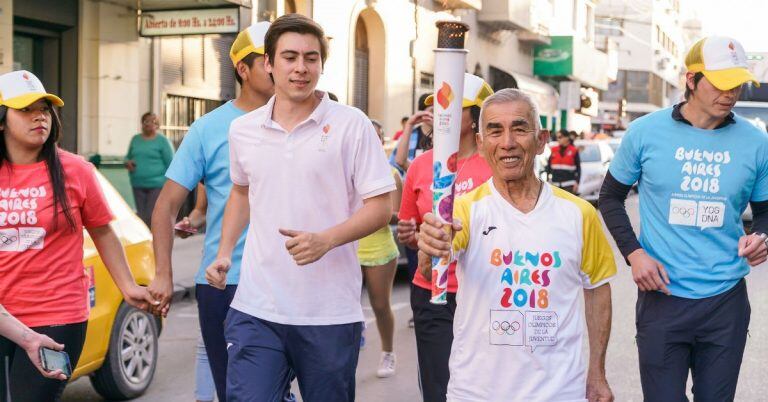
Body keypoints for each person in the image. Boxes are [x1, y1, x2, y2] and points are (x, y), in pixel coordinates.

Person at [205, 14, 395, 402]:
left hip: (328, 312)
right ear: (269, 64)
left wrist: (327, 240)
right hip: (257, 306)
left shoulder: (351, 125)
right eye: (289, 57)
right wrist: (225, 252)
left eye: (311, 58)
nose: (301, 68)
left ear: (322, 65)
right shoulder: (243, 130)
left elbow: (381, 206)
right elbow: (241, 193)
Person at [418, 88, 616, 402]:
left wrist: (597, 372)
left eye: (520, 129)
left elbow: (597, 290)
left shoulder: (579, 214)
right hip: (477, 392)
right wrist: (429, 248)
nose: (507, 142)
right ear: (482, 144)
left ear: (541, 139)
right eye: (495, 131)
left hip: (559, 391)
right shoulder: (464, 210)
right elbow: (431, 270)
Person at [598, 36, 767, 401]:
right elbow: (610, 197)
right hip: (663, 298)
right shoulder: (645, 132)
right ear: (690, 80)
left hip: (725, 301)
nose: (730, 93)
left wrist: (762, 236)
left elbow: (766, 211)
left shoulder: (755, 142)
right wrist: (635, 253)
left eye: (736, 83)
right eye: (721, 83)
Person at [0, 70, 156, 402]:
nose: (39, 116)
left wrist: (128, 286)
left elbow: (102, 230)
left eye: (44, 108)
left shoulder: (75, 170)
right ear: (2, 121)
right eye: (25, 109)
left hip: (57, 315)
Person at [147, 22, 276, 402]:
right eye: (270, 60)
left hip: (291, 279)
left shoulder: (307, 121)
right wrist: (163, 274)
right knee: (235, 391)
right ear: (243, 69)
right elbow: (165, 207)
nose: (283, 68)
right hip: (227, 282)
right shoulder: (208, 129)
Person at [396, 73, 493, 402]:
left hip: (485, 293)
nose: (440, 112)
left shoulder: (497, 165)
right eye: (436, 105)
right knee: (439, 389)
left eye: (451, 105)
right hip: (433, 293)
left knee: (485, 387)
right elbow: (410, 230)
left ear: (477, 115)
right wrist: (410, 235)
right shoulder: (421, 165)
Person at [358, 119, 403, 378]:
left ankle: (388, 353)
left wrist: (377, 211)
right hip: (347, 246)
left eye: (377, 136)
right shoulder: (346, 168)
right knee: (346, 306)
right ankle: (352, 340)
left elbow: (397, 214)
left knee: (380, 304)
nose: (371, 141)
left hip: (379, 249)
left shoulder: (391, 173)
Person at [124, 112, 174, 226]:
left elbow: (171, 163)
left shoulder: (163, 141)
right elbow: (128, 157)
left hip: (157, 184)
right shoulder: (135, 139)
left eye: (153, 121)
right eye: (146, 121)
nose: (149, 124)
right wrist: (128, 162)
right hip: (137, 183)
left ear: (157, 125)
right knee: (141, 215)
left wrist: (169, 184)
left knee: (151, 214)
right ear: (142, 123)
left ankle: (153, 238)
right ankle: (145, 239)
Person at [391, 93, 434, 175]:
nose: (436, 115)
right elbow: (398, 162)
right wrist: (409, 124)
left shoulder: (445, 137)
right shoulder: (409, 136)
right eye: (432, 111)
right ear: (421, 113)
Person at [546, 128, 581, 194]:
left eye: (560, 137)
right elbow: (548, 167)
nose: (558, 139)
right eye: (557, 137)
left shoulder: (574, 150)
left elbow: (579, 169)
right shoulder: (554, 150)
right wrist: (547, 181)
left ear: (567, 138)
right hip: (555, 185)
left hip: (569, 186)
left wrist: (577, 183)